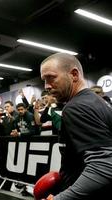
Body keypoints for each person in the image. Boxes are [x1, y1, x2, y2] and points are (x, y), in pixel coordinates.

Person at [40, 53, 112, 199]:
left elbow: (104, 165)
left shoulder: (75, 108)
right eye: (44, 80)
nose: (46, 86)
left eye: (51, 77)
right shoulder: (98, 102)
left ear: (74, 74)